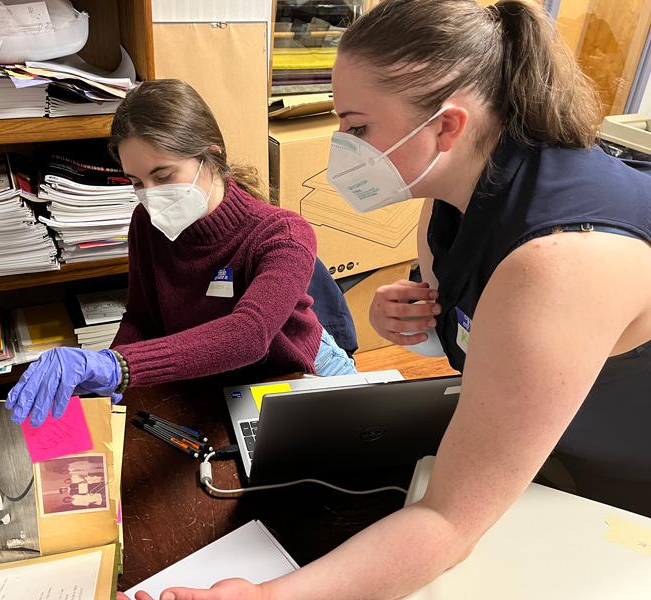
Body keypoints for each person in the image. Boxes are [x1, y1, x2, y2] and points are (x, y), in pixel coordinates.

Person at [119, 1, 651, 599]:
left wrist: (269, 596)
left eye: (357, 126)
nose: (341, 147)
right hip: (547, 446)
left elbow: (449, 522)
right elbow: (491, 335)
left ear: (447, 126)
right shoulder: (451, 198)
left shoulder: (562, 258)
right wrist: (421, 324)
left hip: (619, 488)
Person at [6, 79, 357, 428]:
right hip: (210, 380)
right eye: (136, 182)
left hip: (294, 371)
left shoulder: (284, 233)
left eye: (163, 175)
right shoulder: (145, 221)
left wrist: (121, 367)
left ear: (211, 158)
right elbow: (143, 317)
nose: (150, 194)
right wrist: (108, 373)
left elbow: (249, 335)